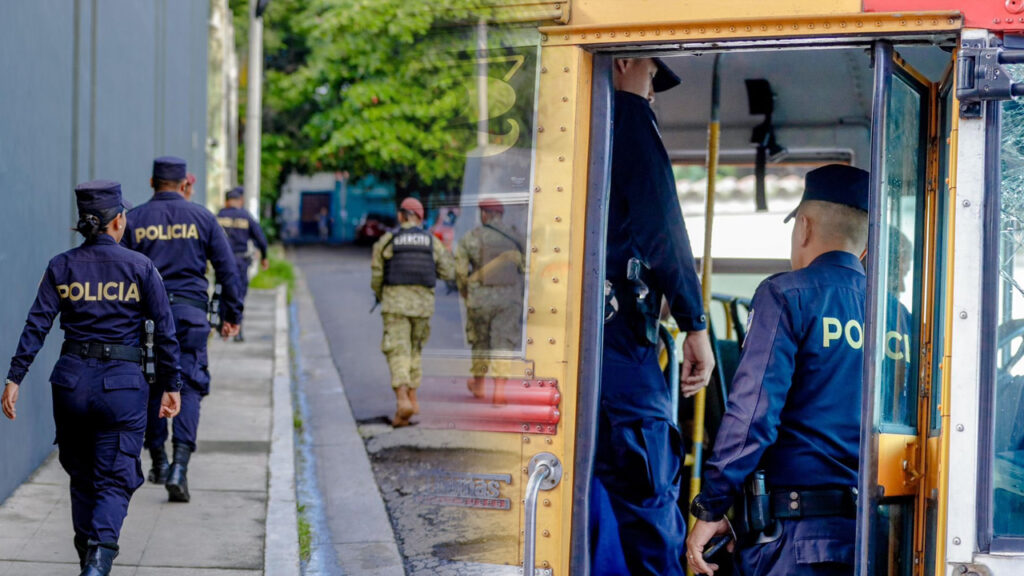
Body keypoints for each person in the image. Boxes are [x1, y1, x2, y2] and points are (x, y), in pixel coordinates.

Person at [686, 164, 870, 576]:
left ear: (803, 227)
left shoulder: (785, 295)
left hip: (794, 539)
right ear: (863, 246)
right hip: (874, 535)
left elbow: (753, 417)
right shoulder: (899, 316)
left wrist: (713, 505)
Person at [2, 180, 182, 576]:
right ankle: (99, 561)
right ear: (118, 221)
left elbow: (37, 324)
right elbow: (166, 332)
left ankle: (86, 553)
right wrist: (172, 386)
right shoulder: (140, 267)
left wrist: (15, 377)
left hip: (69, 384)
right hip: (121, 387)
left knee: (82, 478)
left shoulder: (60, 266)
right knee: (115, 479)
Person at [594, 57, 715, 576]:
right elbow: (664, 227)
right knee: (648, 506)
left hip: (591, 345)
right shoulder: (629, 116)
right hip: (623, 355)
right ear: (624, 63)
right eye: (650, 79)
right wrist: (695, 325)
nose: (652, 95)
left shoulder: (587, 129)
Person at [123, 156, 243, 503]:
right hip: (190, 317)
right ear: (185, 185)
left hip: (148, 320)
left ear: (151, 182)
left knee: (154, 384)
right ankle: (180, 466)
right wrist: (231, 314)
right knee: (188, 388)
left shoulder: (135, 220)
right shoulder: (202, 217)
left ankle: (158, 461)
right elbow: (228, 270)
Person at [370, 197, 455, 427]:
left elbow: (377, 275)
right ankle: (413, 399)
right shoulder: (431, 242)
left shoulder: (388, 241)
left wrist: (380, 295)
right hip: (422, 307)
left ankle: (402, 401)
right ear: (420, 217)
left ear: (401, 215)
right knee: (415, 350)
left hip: (395, 305)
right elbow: (448, 271)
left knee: (398, 351)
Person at [454, 198, 525, 404]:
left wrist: (465, 291)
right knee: (503, 342)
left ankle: (479, 383)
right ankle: (499, 391)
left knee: (481, 342)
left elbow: (459, 270)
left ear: (484, 214)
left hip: (480, 299)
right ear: (501, 215)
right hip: (509, 299)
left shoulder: (471, 238)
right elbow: (527, 266)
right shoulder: (515, 237)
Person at [217, 186, 270, 342]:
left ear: (227, 201)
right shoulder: (245, 216)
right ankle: (238, 328)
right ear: (240, 200)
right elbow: (261, 238)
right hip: (240, 261)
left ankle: (222, 325)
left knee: (221, 292)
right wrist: (264, 257)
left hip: (222, 261)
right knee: (238, 294)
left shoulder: (219, 215)